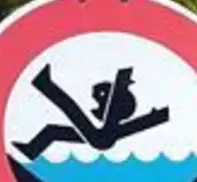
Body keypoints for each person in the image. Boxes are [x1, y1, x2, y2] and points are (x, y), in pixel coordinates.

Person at [13, 66, 170, 160]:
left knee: (67, 115)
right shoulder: (114, 109)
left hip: (102, 138)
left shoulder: (116, 104)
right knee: (55, 130)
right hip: (103, 135)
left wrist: (122, 80)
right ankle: (44, 85)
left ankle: (44, 85)